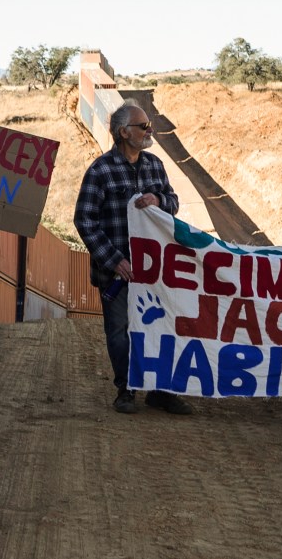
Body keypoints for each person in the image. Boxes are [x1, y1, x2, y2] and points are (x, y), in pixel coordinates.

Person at [74, 101, 192, 416]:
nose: (149, 130)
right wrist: (113, 260)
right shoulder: (100, 170)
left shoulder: (155, 165)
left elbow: (174, 202)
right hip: (117, 273)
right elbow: (84, 220)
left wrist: (160, 200)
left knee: (163, 329)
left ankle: (161, 391)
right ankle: (125, 390)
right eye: (144, 126)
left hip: (155, 272)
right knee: (119, 330)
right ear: (124, 132)